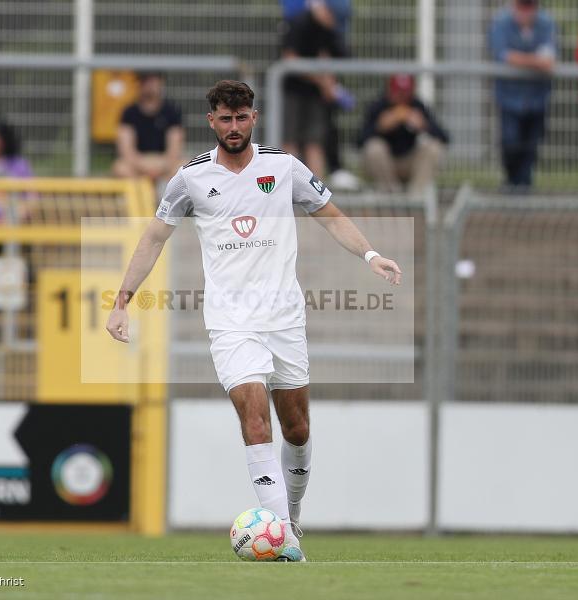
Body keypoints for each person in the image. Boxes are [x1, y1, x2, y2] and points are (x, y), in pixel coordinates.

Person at [105, 81, 402, 562]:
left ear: (254, 117)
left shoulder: (284, 168)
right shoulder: (191, 178)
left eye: (242, 118)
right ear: (212, 121)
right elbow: (154, 237)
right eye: (225, 118)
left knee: (298, 428)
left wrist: (370, 254)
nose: (234, 127)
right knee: (254, 414)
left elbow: (331, 217)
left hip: (284, 317)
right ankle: (282, 536)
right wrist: (122, 301)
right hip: (231, 321)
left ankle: (293, 518)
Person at [489, 0, 557, 189]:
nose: (526, 12)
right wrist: (535, 61)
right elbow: (502, 55)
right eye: (522, 6)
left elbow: (550, 57)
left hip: (537, 97)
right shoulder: (501, 22)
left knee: (531, 145)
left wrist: (521, 60)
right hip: (510, 98)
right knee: (510, 143)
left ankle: (523, 189)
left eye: (530, 7)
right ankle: (511, 182)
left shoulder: (546, 22)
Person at [280, 1, 348, 178]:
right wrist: (321, 80)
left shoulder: (332, 30)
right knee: (290, 141)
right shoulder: (299, 22)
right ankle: (287, 189)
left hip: (316, 96)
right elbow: (290, 59)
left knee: (315, 142)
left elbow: (338, 57)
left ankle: (316, 196)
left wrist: (330, 82)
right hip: (293, 91)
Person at [359, 74, 449, 196]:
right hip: (386, 163)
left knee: (434, 148)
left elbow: (444, 137)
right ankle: (391, 197)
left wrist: (424, 125)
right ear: (389, 90)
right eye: (398, 92)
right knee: (374, 148)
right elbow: (359, 141)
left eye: (405, 92)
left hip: (410, 162)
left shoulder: (417, 105)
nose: (402, 97)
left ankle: (415, 199)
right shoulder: (378, 106)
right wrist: (379, 127)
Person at [112, 72, 184, 182]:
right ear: (139, 84)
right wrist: (145, 168)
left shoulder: (172, 111)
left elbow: (175, 149)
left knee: (185, 167)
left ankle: (165, 195)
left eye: (153, 81)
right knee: (120, 168)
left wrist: (160, 167)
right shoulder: (129, 113)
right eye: (145, 81)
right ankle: (140, 197)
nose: (149, 85)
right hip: (138, 164)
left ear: (161, 83)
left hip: (164, 163)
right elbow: (126, 150)